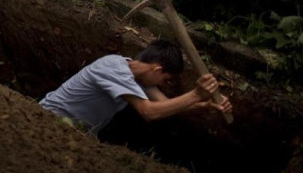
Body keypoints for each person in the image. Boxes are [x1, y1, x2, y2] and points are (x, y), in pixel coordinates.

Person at [39, 39, 232, 135]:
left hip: (75, 133)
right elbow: (149, 112)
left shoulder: (138, 79)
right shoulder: (114, 68)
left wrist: (205, 104)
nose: (162, 85)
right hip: (48, 120)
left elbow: (166, 105)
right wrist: (197, 93)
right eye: (165, 80)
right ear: (157, 69)